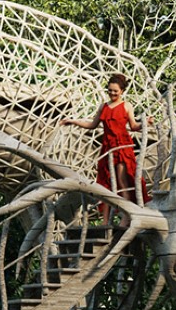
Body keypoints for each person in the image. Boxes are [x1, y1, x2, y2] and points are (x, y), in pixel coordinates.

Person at [62, 73, 151, 221]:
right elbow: (92, 125)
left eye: (115, 91)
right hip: (107, 147)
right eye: (109, 90)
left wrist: (145, 123)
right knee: (106, 183)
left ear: (122, 91)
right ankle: (105, 221)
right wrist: (72, 121)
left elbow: (134, 126)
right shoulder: (104, 106)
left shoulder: (126, 105)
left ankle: (127, 216)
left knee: (122, 181)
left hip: (121, 146)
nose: (112, 93)